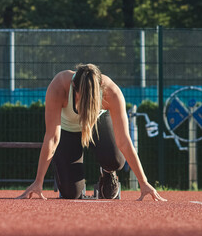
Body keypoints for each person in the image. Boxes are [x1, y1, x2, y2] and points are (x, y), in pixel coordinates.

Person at [17, 64, 166, 201]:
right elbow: (52, 138)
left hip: (97, 124)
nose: (84, 106)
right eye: (81, 98)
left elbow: (124, 142)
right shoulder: (59, 86)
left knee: (115, 160)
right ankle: (66, 180)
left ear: (100, 89)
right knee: (71, 194)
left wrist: (144, 182)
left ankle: (108, 175)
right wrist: (38, 181)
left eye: (90, 100)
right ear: (73, 86)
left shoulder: (111, 92)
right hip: (68, 129)